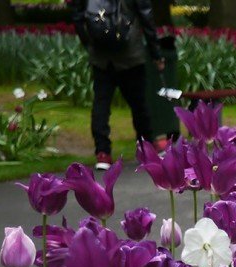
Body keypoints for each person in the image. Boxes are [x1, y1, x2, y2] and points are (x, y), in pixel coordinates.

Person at [67, 0, 164, 169]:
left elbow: (77, 13)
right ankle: (146, 146)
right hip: (130, 54)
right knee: (139, 103)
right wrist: (156, 53)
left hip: (101, 56)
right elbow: (146, 16)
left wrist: (88, 43)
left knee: (101, 103)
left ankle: (102, 152)